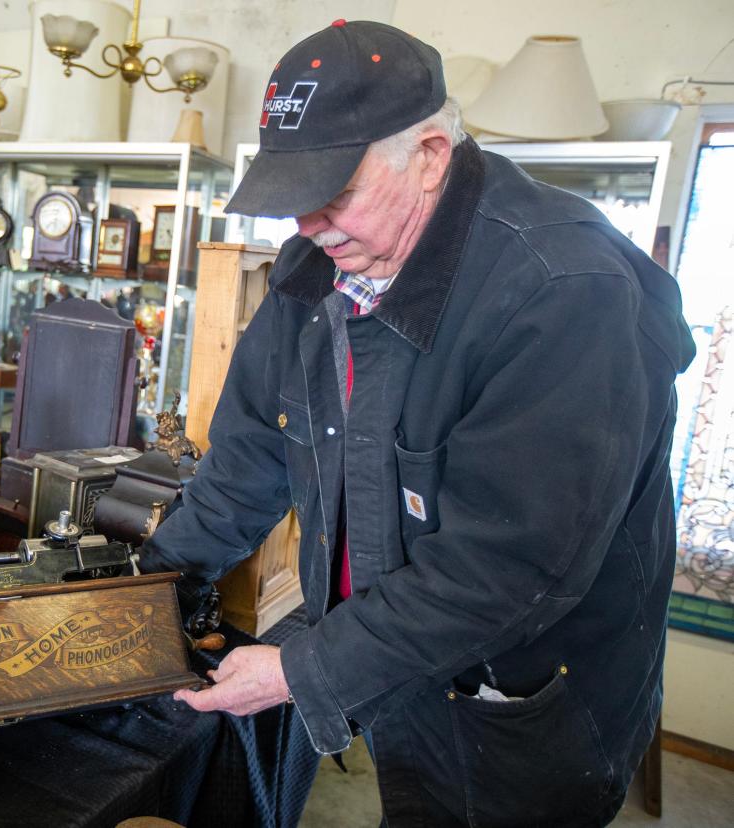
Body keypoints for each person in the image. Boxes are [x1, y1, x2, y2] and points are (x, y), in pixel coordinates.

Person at [141, 20, 695, 827]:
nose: (310, 227)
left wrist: (303, 671)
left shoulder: (564, 290)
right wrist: (155, 578)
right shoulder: (316, 270)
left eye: (335, 192)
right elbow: (250, 457)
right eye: (295, 200)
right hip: (393, 652)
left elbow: (506, 569)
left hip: (522, 696)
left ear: (431, 156)